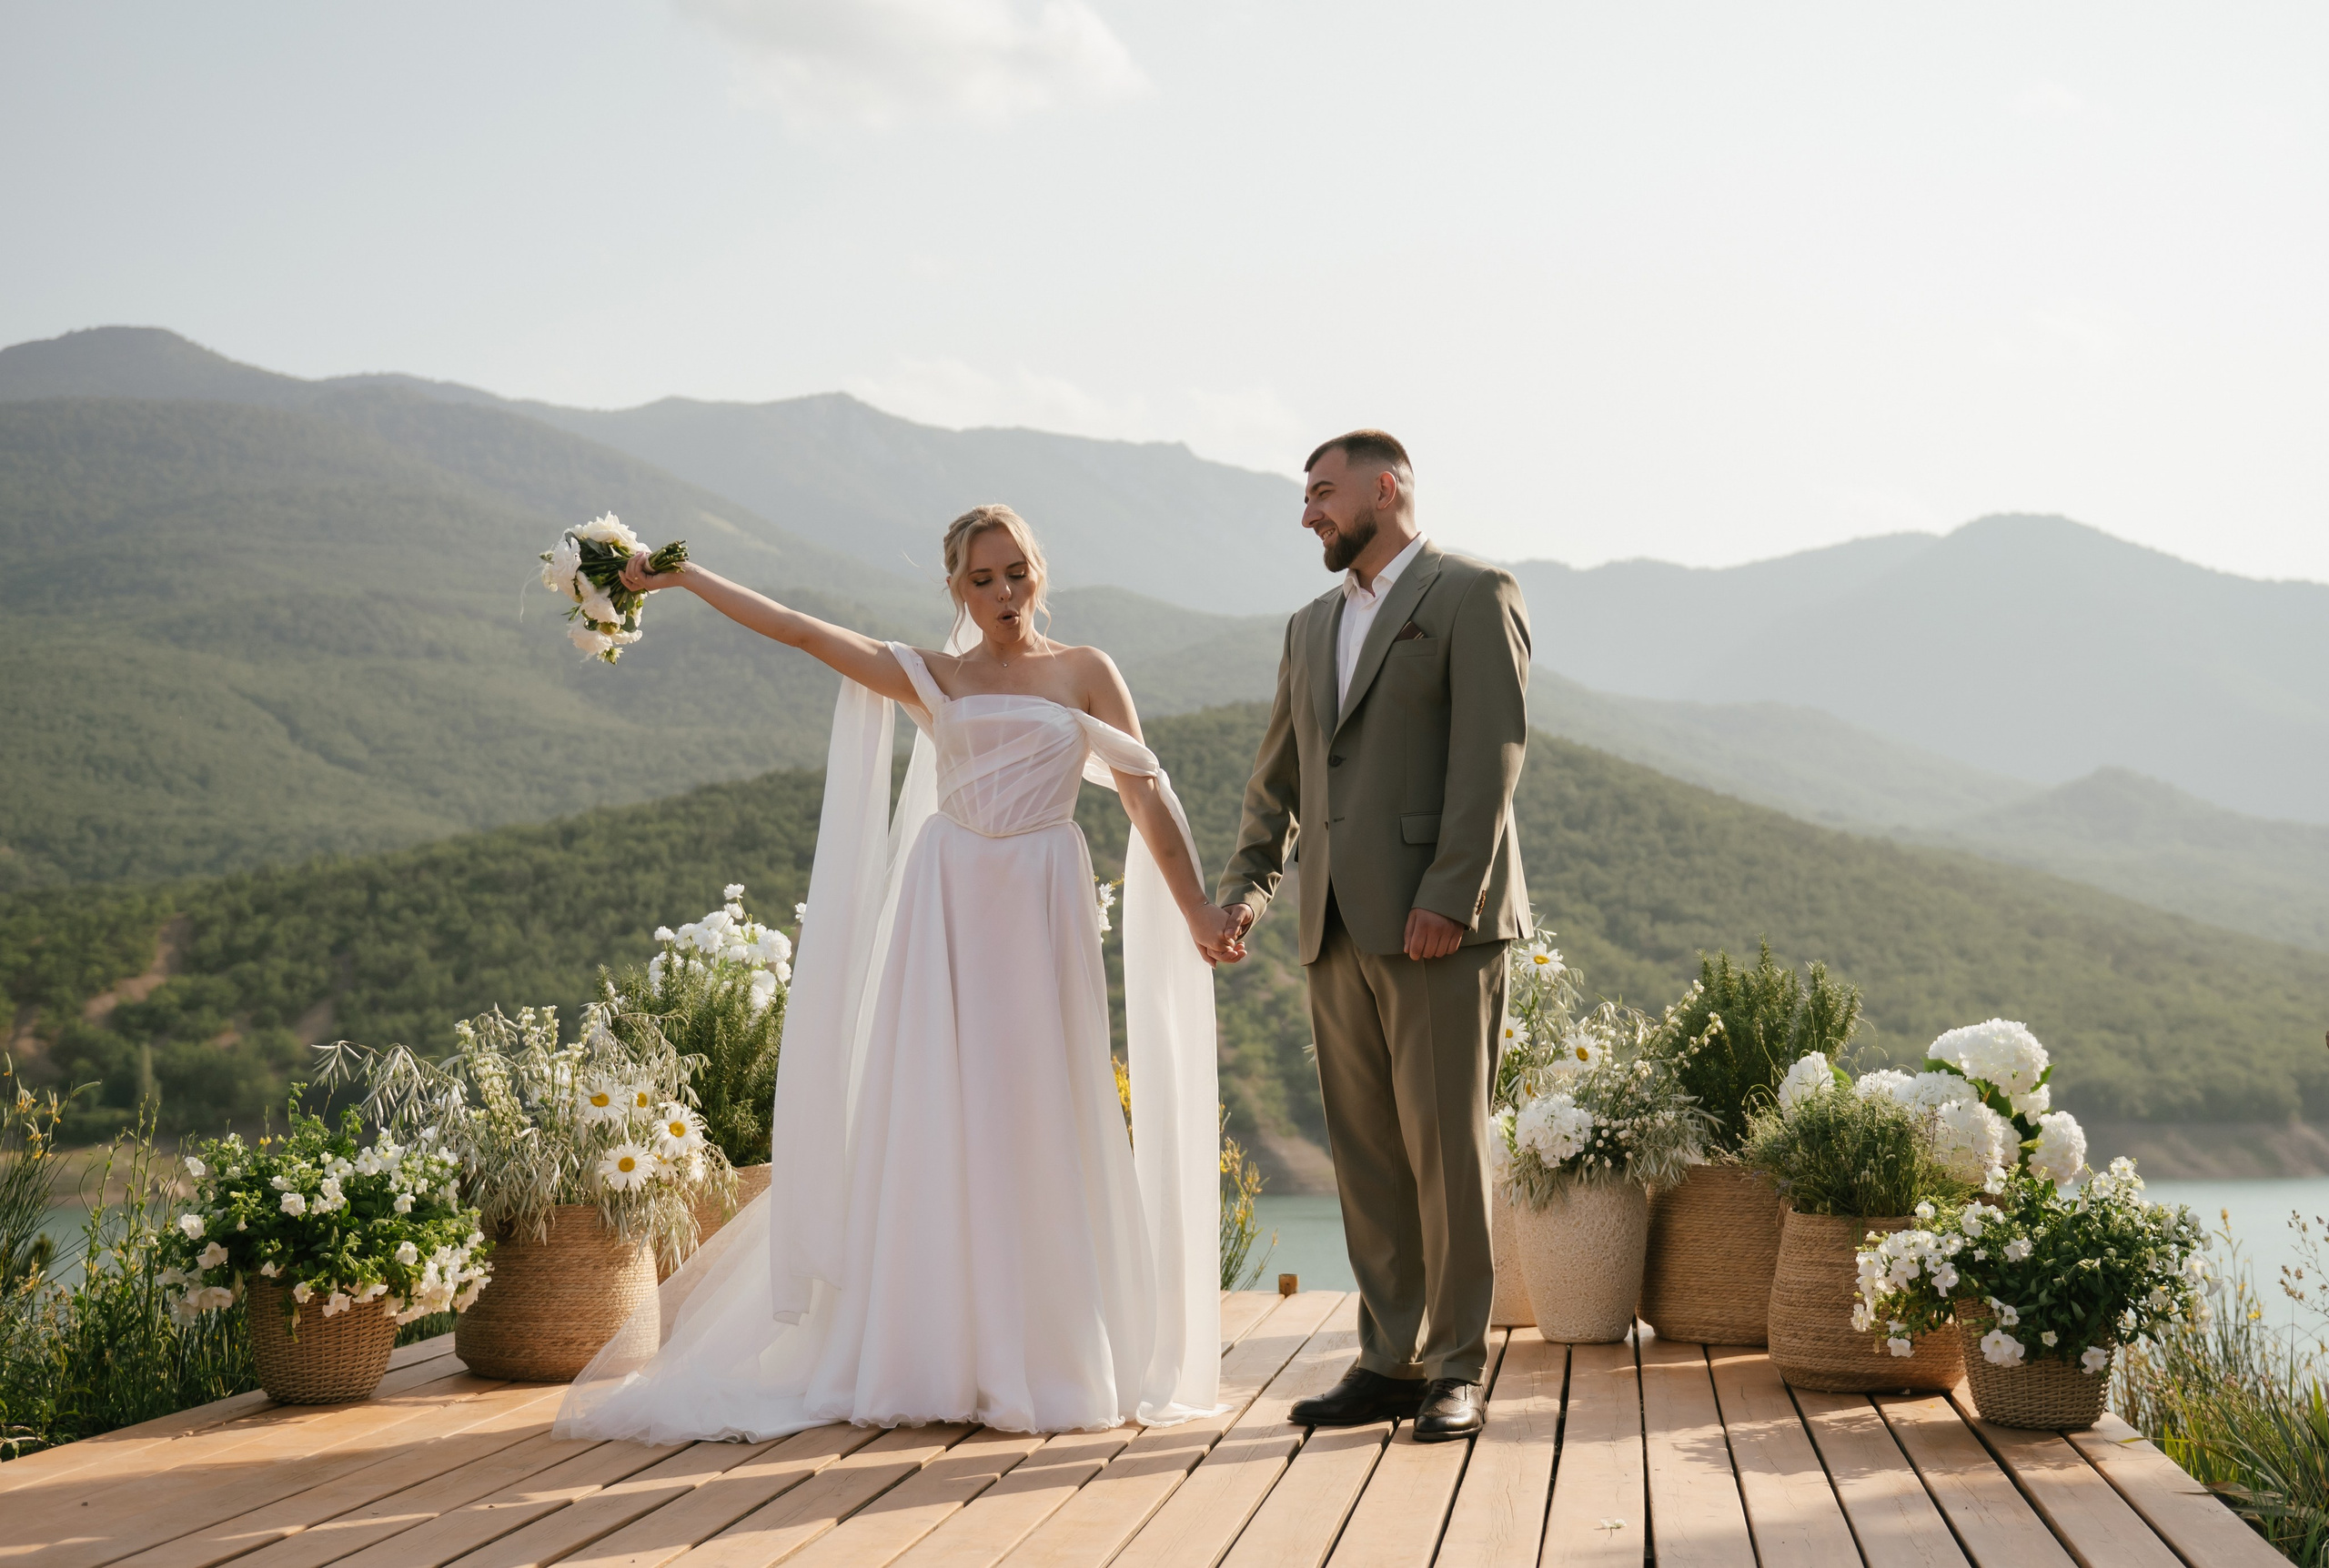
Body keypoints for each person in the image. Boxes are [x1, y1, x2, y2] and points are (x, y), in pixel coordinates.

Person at [554, 505, 1244, 1442]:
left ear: (1039, 571)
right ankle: (931, 1350)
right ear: (956, 587)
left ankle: (1045, 1351)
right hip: (948, 902)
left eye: (1017, 573)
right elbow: (799, 630)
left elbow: (1144, 791)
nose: (1004, 593)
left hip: (1042, 900)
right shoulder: (936, 674)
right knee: (938, 1108)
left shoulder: (1087, 670)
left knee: (1042, 1109)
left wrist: (1198, 905)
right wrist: (683, 576)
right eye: (983, 579)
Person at [1215, 431, 1532, 1441]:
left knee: (1446, 1150)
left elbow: (1492, 755)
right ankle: (1387, 1360)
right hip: (1333, 926)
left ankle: (1455, 1366)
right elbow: (1281, 775)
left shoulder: (1471, 594)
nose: (1308, 511)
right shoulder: (1310, 625)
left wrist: (1451, 893)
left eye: (1321, 491)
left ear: (1384, 487)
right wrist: (1247, 887)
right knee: (1364, 1155)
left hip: (1439, 923)